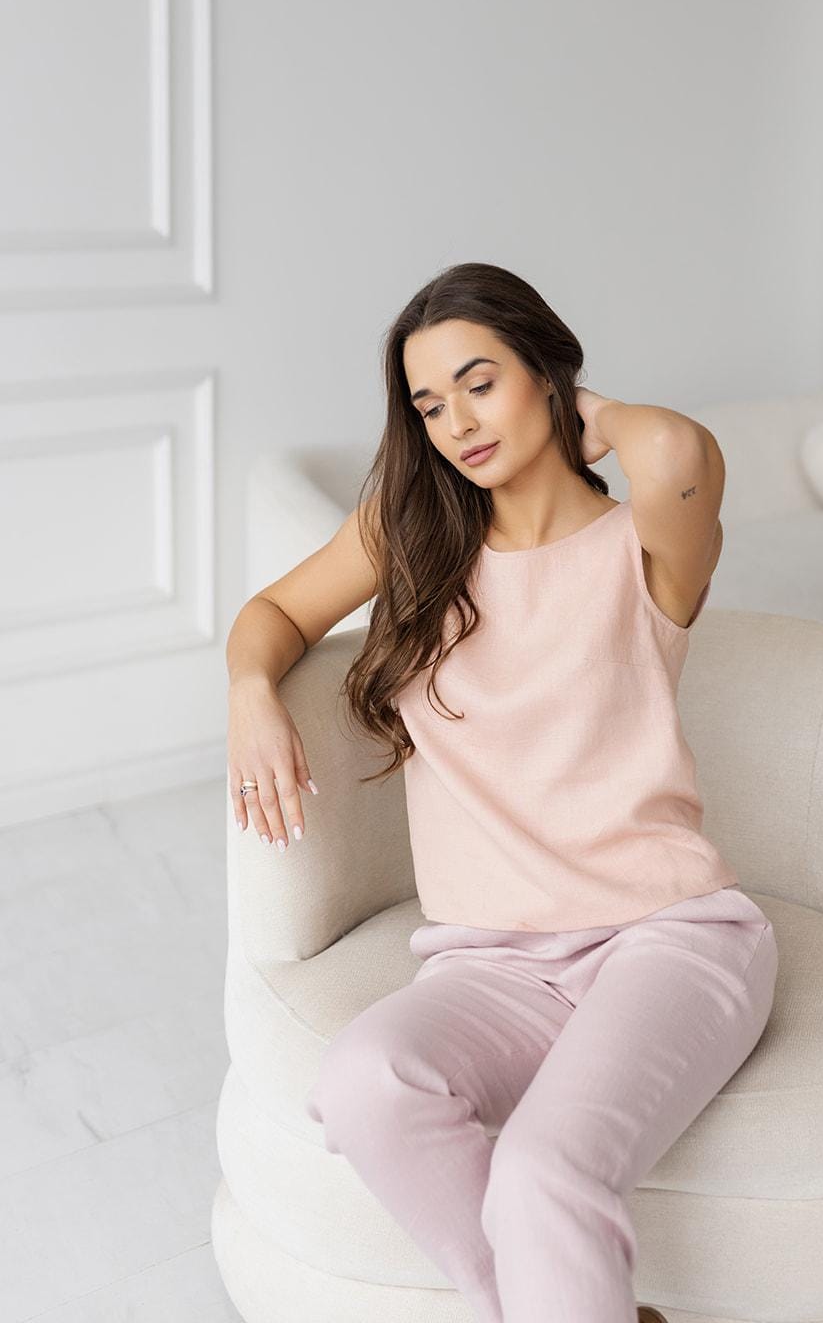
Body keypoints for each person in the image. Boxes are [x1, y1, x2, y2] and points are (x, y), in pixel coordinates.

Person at [225, 262, 778, 1323]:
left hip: (668, 939)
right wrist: (251, 688)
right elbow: (270, 615)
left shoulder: (645, 546)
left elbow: (675, 450)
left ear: (546, 373)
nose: (454, 421)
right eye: (428, 404)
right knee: (361, 1084)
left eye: (479, 381)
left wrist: (594, 413)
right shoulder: (418, 541)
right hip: (493, 961)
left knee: (540, 1172)